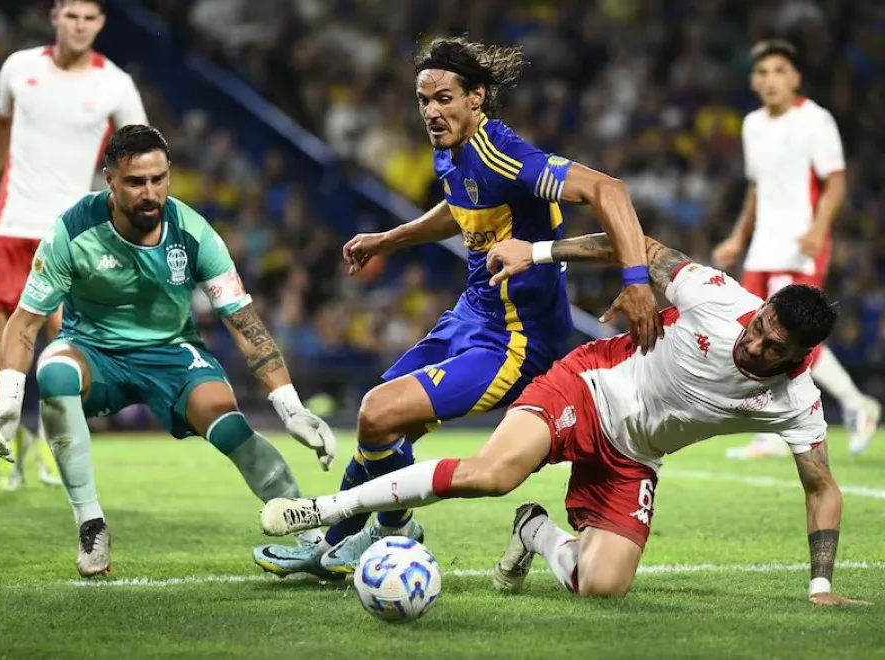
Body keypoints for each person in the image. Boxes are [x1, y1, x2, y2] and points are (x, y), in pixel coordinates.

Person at [260, 233, 870, 607]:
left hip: (634, 457)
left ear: (798, 358)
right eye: (760, 327)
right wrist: (540, 252)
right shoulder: (716, 296)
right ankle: (329, 510)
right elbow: (635, 245)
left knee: (603, 586)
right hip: (587, 386)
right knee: (493, 473)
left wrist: (819, 586)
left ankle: (533, 532)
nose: (755, 344)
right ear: (759, 309)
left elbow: (821, 487)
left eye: (772, 347)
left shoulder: (796, 398)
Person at [253, 36, 662, 579]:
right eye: (424, 100)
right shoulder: (451, 150)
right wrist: (390, 239)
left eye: (444, 98)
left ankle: (385, 534)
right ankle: (347, 541)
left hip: (516, 340)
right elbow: (461, 204)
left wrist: (637, 282)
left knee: (379, 413)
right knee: (378, 429)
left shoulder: (506, 154)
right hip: (471, 316)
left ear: (477, 97)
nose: (431, 111)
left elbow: (609, 191)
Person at [0, 125, 335, 577]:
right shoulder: (72, 230)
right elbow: (25, 322)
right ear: (109, 179)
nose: (151, 193)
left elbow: (246, 325)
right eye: (135, 182)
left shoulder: (194, 232)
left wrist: (291, 408)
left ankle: (311, 536)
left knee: (228, 423)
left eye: (159, 179)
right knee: (55, 372)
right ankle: (91, 525)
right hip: (94, 351)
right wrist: (9, 401)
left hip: (173, 352)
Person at [0, 0, 150, 491]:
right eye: (72, 16)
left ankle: (45, 441)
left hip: (69, 233)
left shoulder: (115, 84)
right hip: (9, 222)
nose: (80, 26)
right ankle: (7, 430)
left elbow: (144, 153)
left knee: (61, 345)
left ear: (101, 23)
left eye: (90, 18)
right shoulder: (19, 69)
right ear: (55, 17)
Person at [712, 39, 880, 459]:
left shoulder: (816, 121)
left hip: (799, 242)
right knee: (755, 329)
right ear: (753, 81)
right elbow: (756, 189)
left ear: (796, 78)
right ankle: (771, 429)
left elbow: (836, 182)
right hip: (764, 243)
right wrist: (737, 237)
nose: (770, 80)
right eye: (763, 72)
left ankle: (858, 405)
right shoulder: (752, 124)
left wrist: (817, 230)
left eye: (779, 71)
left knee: (790, 332)